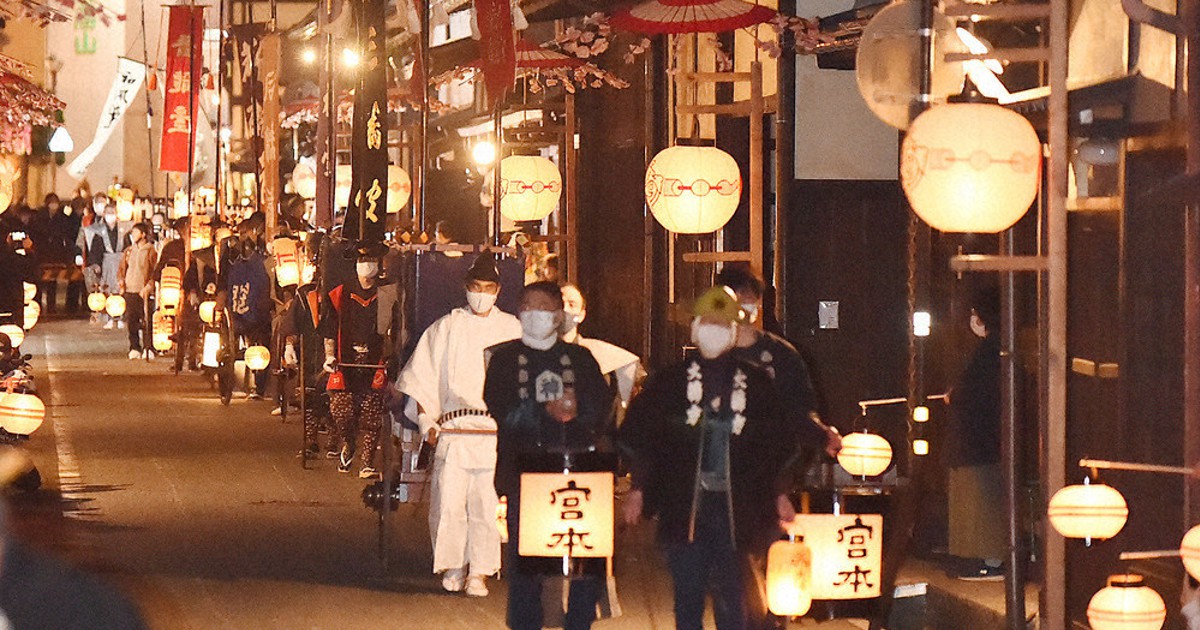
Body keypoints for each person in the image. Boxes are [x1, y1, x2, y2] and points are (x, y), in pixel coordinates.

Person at [619, 286, 799, 630]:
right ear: (694, 328)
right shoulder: (670, 382)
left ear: (733, 332)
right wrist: (638, 489)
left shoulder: (757, 384)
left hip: (738, 509)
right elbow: (644, 437)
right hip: (684, 505)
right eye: (707, 323)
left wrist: (780, 493)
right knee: (687, 595)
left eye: (721, 324)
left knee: (735, 594)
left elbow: (776, 443)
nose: (713, 330)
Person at [484, 281, 614, 630]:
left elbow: (602, 408)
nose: (534, 314)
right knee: (528, 565)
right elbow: (501, 409)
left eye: (543, 307)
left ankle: (579, 622)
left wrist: (577, 412)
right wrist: (545, 411)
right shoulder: (504, 360)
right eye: (527, 306)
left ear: (558, 316)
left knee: (585, 561)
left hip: (578, 473)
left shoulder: (581, 359)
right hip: (527, 475)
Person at [395, 253, 521, 596]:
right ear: (466, 287)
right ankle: (453, 565)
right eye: (476, 287)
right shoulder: (446, 327)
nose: (481, 294)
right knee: (449, 502)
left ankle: (480, 571)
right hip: (454, 427)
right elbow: (422, 376)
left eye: (488, 288)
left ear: (498, 290)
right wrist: (426, 421)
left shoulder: (513, 329)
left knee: (486, 503)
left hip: (494, 431)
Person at [716, 265, 842, 459]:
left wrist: (822, 435)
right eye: (734, 297)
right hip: (721, 456)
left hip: (769, 458)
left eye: (747, 296)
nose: (740, 303)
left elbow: (799, 408)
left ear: (758, 301)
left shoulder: (781, 354)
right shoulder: (711, 353)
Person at [320, 241, 403, 477]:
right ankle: (348, 442)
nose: (367, 265)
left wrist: (391, 355)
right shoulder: (339, 293)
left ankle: (367, 461)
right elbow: (330, 327)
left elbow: (395, 329)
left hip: (375, 359)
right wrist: (329, 355)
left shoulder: (387, 294)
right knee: (341, 411)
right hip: (345, 358)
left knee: (372, 414)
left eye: (371, 260)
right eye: (362, 260)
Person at [944, 286, 1004, 580]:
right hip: (982, 439)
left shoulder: (992, 350)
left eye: (974, 314)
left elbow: (976, 392)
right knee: (978, 501)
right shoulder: (991, 349)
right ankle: (984, 559)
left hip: (982, 439)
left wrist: (955, 396)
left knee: (984, 503)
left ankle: (990, 561)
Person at [560, 284, 643, 407]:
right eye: (559, 303)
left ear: (581, 315)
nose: (564, 309)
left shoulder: (603, 356)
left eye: (572, 304)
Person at [227, 237, 273, 398]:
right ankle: (260, 386)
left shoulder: (236, 268)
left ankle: (259, 384)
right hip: (255, 318)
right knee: (265, 336)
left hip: (239, 315)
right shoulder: (262, 267)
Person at [117, 223, 158, 360]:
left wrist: (150, 286)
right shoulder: (129, 251)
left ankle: (148, 347)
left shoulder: (151, 251)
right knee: (132, 321)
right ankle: (134, 347)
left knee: (147, 319)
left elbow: (155, 271)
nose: (133, 235)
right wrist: (121, 281)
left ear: (143, 234)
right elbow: (122, 269)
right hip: (130, 290)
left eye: (135, 232)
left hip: (144, 291)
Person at [88, 204, 127, 330]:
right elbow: (95, 249)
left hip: (120, 260)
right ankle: (109, 318)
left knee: (121, 288)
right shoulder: (100, 231)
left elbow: (128, 246)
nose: (111, 215)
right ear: (104, 215)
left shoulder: (123, 230)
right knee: (107, 288)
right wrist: (96, 264)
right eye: (108, 213)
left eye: (113, 212)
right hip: (107, 262)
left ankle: (121, 317)